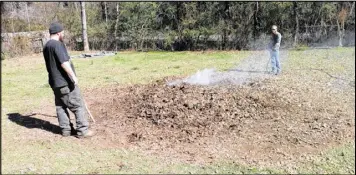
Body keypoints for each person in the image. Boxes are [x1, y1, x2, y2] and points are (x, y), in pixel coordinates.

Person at [43, 22, 94, 138]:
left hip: (55, 83)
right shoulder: (57, 45)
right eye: (63, 33)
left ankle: (66, 130)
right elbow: (64, 63)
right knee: (78, 105)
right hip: (65, 82)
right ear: (58, 33)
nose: (63, 35)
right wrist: (73, 77)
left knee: (61, 107)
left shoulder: (46, 46)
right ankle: (83, 131)